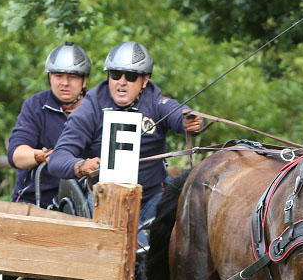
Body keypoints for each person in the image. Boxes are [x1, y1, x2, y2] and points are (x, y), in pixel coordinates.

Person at [48, 41, 202, 242]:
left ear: (144, 81)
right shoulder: (90, 108)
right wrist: (82, 165)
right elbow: (57, 159)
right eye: (115, 75)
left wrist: (190, 121)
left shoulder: (155, 102)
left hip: (151, 200)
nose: (122, 82)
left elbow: (176, 113)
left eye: (130, 76)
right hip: (104, 200)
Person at [7, 42, 91, 207]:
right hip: (35, 199)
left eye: (72, 77)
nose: (65, 83)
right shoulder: (35, 105)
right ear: (50, 77)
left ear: (84, 79)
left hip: (84, 201)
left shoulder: (97, 108)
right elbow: (16, 154)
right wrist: (44, 156)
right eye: (58, 76)